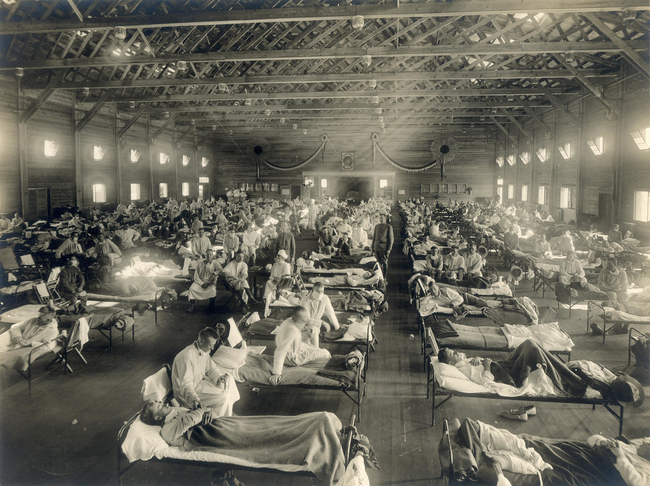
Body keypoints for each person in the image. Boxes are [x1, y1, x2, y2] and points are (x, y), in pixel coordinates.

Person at [139, 401, 346, 485]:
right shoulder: (166, 429)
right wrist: (201, 411)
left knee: (268, 424)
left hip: (222, 424)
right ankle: (319, 432)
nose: (164, 403)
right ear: (157, 418)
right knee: (267, 436)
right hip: (214, 436)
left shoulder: (175, 414)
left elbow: (203, 411)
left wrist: (206, 411)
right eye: (159, 405)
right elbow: (193, 419)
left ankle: (321, 425)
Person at [171, 327, 240, 417]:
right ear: (202, 341)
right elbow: (186, 385)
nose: (212, 348)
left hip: (199, 384)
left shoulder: (203, 350)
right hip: (188, 394)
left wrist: (219, 377)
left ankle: (226, 410)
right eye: (211, 345)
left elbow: (211, 369)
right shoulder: (186, 357)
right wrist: (194, 399)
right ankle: (222, 419)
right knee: (223, 397)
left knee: (229, 378)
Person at [269, 306, 331, 385]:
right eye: (306, 319)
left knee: (313, 330)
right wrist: (276, 373)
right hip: (292, 359)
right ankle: (322, 371)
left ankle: (314, 356)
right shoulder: (291, 331)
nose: (308, 320)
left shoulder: (289, 321)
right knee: (326, 353)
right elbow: (280, 352)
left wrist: (322, 323)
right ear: (302, 319)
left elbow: (308, 320)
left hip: (297, 347)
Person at [0, 306, 59, 378]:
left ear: (49, 319)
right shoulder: (33, 320)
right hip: (19, 340)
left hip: (26, 347)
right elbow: (16, 327)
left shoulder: (52, 330)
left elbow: (49, 346)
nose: (39, 317)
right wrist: (18, 337)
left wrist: (31, 343)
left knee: (5, 356)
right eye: (40, 314)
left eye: (42, 316)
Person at [372, 214, 394, 281]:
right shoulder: (377, 226)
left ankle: (384, 278)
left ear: (385, 218)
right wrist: (372, 247)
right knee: (378, 263)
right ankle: (379, 278)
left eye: (382, 218)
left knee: (384, 263)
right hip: (376, 247)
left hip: (383, 248)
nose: (381, 219)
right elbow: (374, 237)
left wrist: (389, 249)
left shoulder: (388, 227)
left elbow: (391, 239)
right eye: (380, 218)